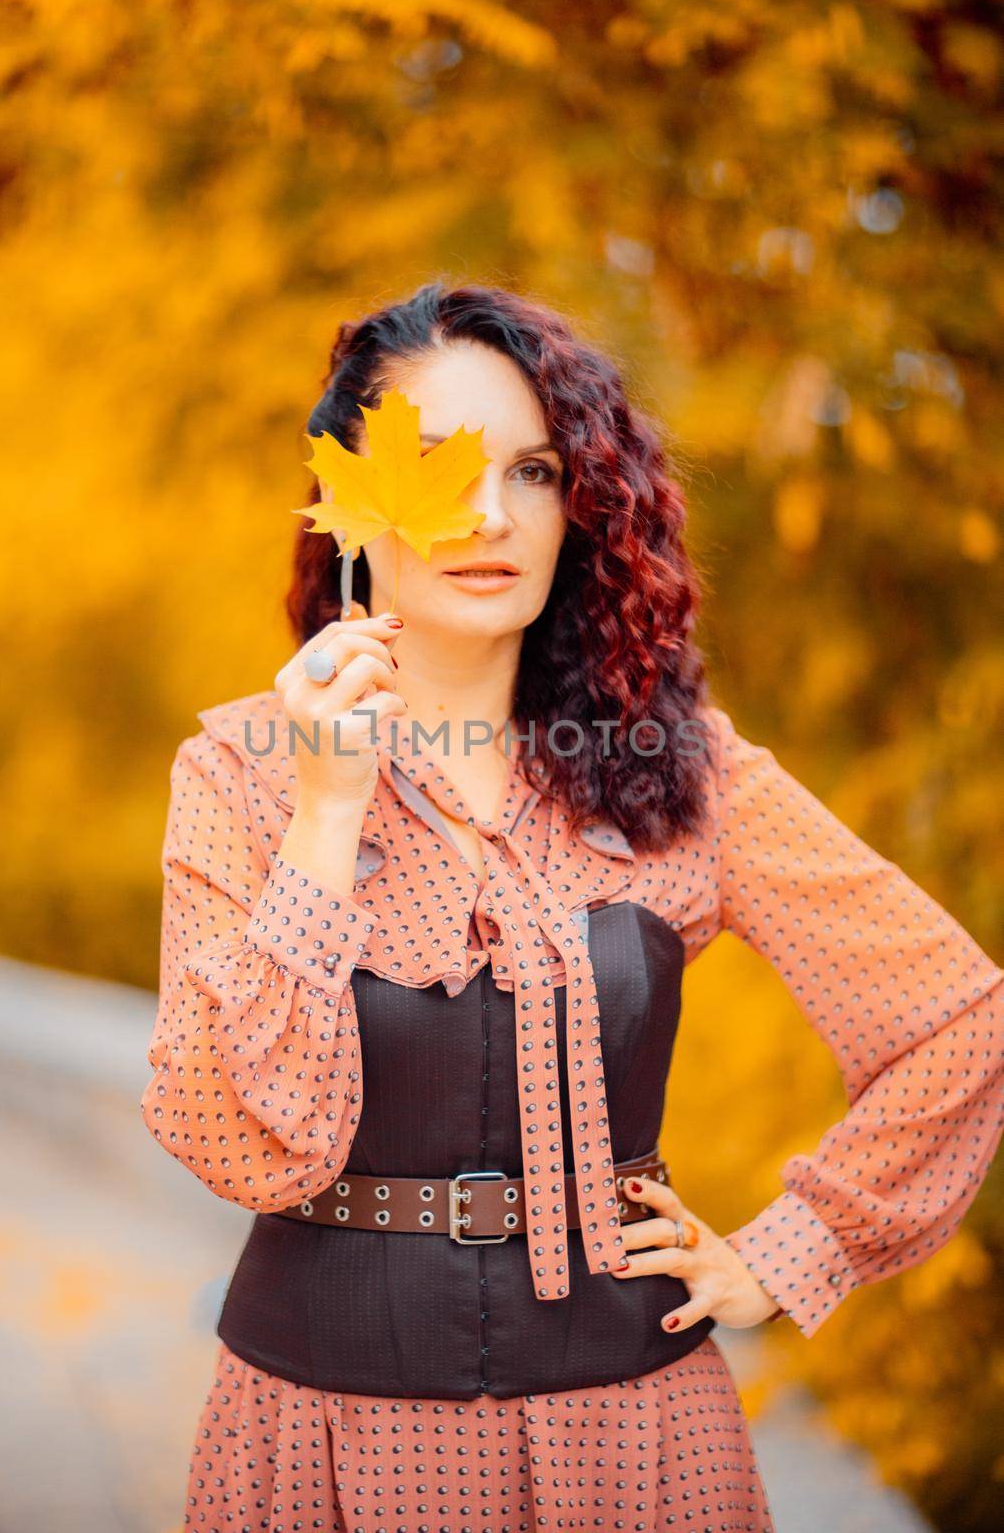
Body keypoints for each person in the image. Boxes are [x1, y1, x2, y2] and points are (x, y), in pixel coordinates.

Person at [141, 280, 1003, 1533]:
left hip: (638, 1438)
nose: (489, 515)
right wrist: (327, 817)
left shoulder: (683, 772)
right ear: (346, 499)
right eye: (436, 464)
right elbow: (230, 1136)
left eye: (535, 471)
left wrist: (786, 1255)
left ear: (578, 505)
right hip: (323, 1439)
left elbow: (955, 1018)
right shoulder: (240, 772)